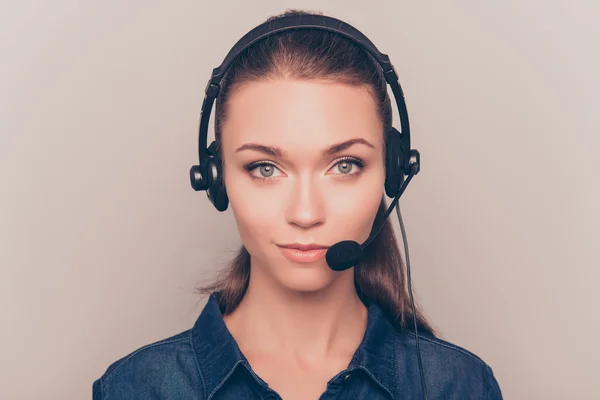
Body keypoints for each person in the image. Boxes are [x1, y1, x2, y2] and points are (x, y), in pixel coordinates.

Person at [93, 9, 503, 400]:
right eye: (265, 168)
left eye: (344, 165)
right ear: (216, 180)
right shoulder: (136, 388)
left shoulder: (458, 385)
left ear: (393, 171)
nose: (306, 214)